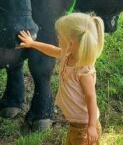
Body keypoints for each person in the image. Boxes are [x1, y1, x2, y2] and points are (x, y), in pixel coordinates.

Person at [17, 12, 104, 145]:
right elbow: (52, 50)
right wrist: (32, 43)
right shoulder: (68, 54)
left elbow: (91, 98)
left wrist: (92, 126)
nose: (57, 36)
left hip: (84, 128)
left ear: (71, 42)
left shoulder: (84, 71)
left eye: (60, 35)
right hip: (74, 125)